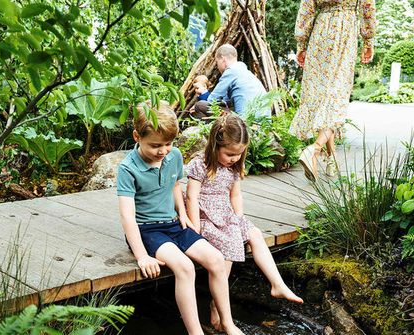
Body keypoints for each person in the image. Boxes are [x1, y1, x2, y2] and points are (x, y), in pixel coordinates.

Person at [116, 101, 244, 335]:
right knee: (185, 267)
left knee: (216, 258)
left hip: (174, 224)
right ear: (137, 136)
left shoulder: (173, 155)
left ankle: (227, 322)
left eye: (168, 143)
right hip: (147, 230)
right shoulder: (128, 168)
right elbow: (127, 216)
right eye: (155, 145)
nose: (163, 151)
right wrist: (142, 256)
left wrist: (183, 214)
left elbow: (175, 185)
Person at [185, 114, 303, 330]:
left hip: (227, 215)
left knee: (255, 234)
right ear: (214, 145)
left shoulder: (232, 168)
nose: (234, 159)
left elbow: (235, 196)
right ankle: (217, 305)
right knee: (229, 247)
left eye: (239, 154)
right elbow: (191, 197)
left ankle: (277, 284)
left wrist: (239, 219)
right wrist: (194, 229)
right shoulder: (200, 165)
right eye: (230, 154)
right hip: (206, 217)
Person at [292, 0, 376, 181]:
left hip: (321, 31)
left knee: (323, 95)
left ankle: (332, 160)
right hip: (345, 31)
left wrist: (301, 43)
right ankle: (313, 150)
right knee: (337, 96)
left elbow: (306, 8)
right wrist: (368, 40)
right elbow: (367, 7)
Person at [194, 44, 269, 118]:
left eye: (217, 62)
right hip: (263, 121)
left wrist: (202, 96)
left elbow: (212, 100)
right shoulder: (243, 71)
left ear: (223, 59)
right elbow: (225, 100)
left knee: (200, 105)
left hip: (245, 122)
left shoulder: (231, 71)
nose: (217, 66)